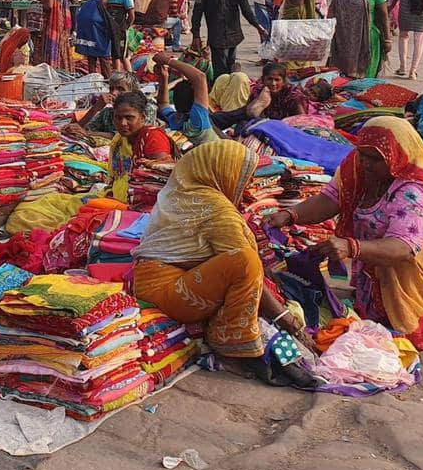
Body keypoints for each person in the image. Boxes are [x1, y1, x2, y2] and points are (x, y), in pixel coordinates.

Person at [264, 118, 423, 350]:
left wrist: (351, 247)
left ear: (398, 154)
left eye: (374, 158)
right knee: (379, 254)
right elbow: (330, 199)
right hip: (395, 253)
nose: (364, 162)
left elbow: (404, 248)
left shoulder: (415, 191)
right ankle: (379, 304)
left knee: (410, 256)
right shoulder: (358, 167)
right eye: (362, 154)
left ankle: (416, 318)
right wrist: (290, 215)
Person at [133, 141, 317, 387]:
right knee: (245, 262)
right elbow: (244, 268)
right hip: (170, 294)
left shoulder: (179, 193)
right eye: (243, 176)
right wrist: (289, 323)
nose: (246, 184)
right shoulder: (216, 208)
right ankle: (232, 347)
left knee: (249, 268)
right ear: (224, 171)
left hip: (150, 283)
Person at [191, 0, 267, 78]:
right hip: (217, 35)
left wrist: (257, 26)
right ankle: (220, 93)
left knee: (231, 66)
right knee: (221, 70)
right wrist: (196, 35)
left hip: (234, 33)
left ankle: (230, 92)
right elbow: (197, 13)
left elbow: (245, 7)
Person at [104, 89, 175, 200]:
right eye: (118, 118)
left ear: (142, 117)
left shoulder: (152, 137)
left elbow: (160, 181)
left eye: (129, 118)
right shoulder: (118, 139)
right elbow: (115, 176)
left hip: (146, 203)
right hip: (119, 197)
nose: (123, 123)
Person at [328, 0, 389, 79]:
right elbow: (332, 9)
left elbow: (384, 16)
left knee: (366, 75)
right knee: (343, 75)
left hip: (368, 39)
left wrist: (387, 40)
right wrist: (329, 30)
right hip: (344, 40)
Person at [154, 51, 222, 147]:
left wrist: (164, 78)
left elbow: (163, 103)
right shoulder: (197, 121)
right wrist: (168, 61)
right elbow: (200, 77)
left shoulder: (175, 119)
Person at [74, 0, 121, 78]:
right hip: (100, 40)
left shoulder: (86, 5)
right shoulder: (98, 6)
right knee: (105, 62)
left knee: (91, 62)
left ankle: (92, 82)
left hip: (89, 40)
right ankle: (108, 83)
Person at [35, 0, 72, 70]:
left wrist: (40, 6)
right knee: (61, 45)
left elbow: (50, 5)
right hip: (63, 18)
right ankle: (63, 68)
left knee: (52, 43)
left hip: (53, 20)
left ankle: (52, 68)